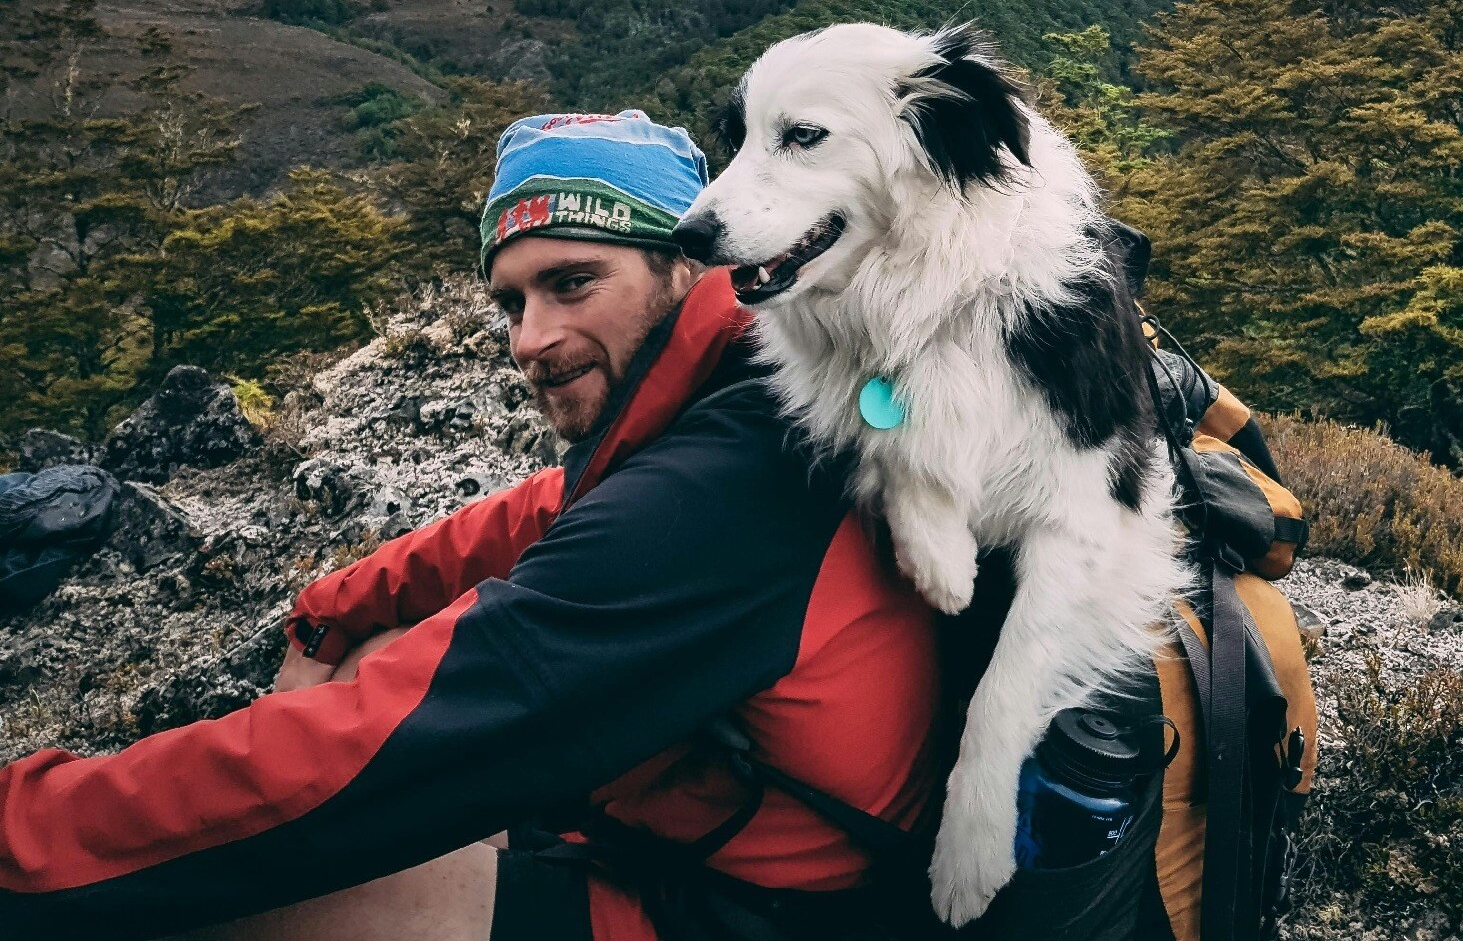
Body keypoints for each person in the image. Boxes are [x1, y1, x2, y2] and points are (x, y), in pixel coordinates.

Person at [0, 110, 942, 941]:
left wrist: (21, 835)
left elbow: (381, 742)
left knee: (214, 893)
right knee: (375, 654)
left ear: (690, 264)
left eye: (572, 283)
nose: (531, 341)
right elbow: (539, 508)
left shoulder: (723, 496)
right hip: (727, 848)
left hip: (752, 916)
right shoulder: (743, 397)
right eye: (512, 303)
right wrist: (333, 608)